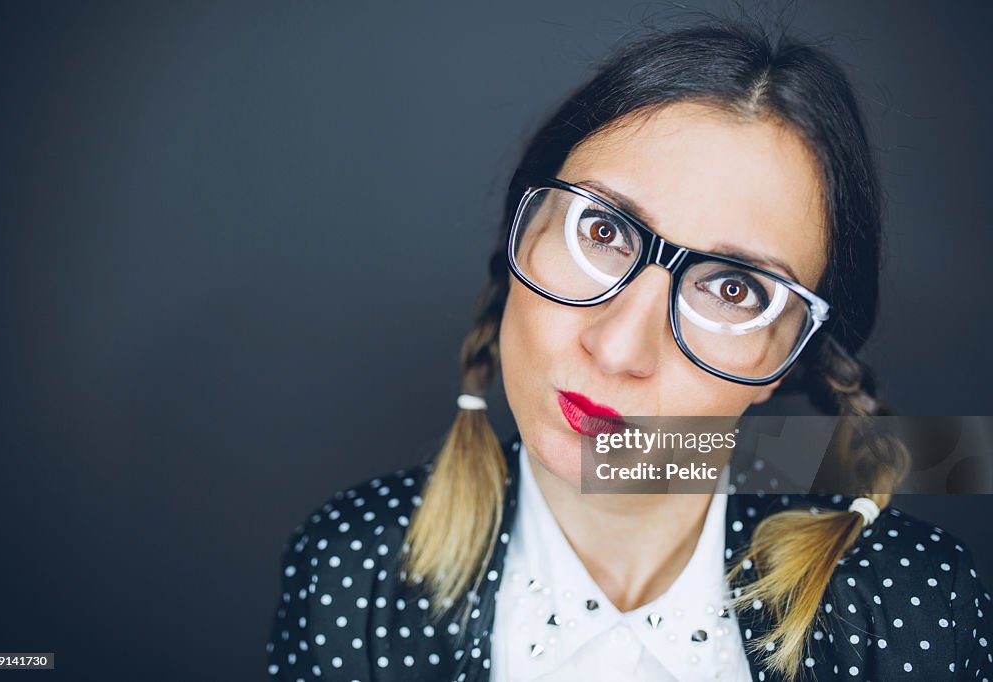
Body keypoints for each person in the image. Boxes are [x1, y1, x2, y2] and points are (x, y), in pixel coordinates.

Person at [266, 20, 992, 682]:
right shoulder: (347, 570)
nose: (617, 348)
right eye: (604, 231)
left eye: (734, 289)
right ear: (524, 231)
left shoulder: (919, 608)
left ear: (788, 355)